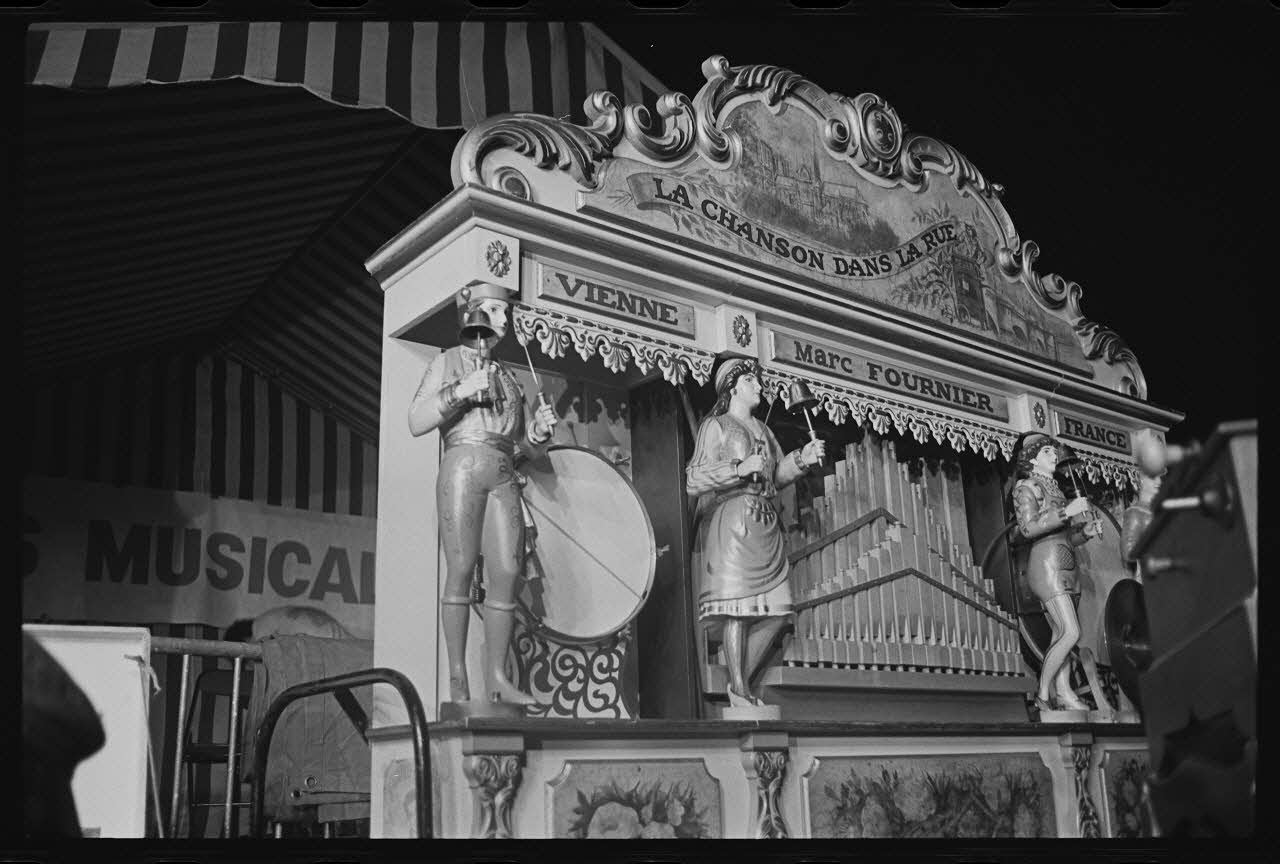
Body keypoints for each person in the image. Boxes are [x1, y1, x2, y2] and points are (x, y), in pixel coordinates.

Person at [409, 283, 557, 708]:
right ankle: (458, 677)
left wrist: (537, 433)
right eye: (495, 310)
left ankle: (496, 676)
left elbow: (523, 449)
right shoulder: (447, 361)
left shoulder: (511, 377)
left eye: (505, 312)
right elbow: (416, 420)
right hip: (462, 466)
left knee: (508, 572)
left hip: (503, 471)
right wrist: (459, 390)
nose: (504, 319)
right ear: (474, 313)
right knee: (459, 568)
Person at [686, 358, 824, 707]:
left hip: (766, 523)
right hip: (733, 521)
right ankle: (739, 689)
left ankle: (738, 682)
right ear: (732, 387)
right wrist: (739, 467)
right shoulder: (715, 426)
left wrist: (802, 459)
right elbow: (694, 478)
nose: (759, 386)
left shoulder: (763, 430)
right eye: (751, 380)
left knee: (778, 612)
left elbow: (776, 475)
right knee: (739, 608)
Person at [1010, 432, 1104, 713]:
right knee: (1071, 632)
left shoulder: (1057, 490)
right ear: (1034, 458)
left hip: (1067, 563)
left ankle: (1064, 692)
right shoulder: (1026, 487)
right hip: (1046, 566)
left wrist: (1084, 533)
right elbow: (1028, 528)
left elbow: (1065, 537)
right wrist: (1066, 513)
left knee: (1059, 634)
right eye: (1049, 452)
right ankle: (1042, 694)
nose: (1055, 457)